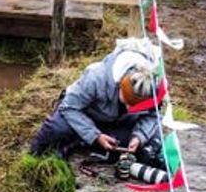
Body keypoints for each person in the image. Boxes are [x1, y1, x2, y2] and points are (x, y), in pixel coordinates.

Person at [29, 40, 160, 157]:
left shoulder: (154, 87)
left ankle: (79, 141)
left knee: (142, 141)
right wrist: (95, 135)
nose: (130, 109)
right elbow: (69, 107)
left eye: (137, 106)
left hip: (116, 122)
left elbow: (154, 115)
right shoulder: (96, 77)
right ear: (120, 84)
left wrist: (139, 136)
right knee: (58, 128)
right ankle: (36, 154)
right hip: (83, 113)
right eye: (127, 102)